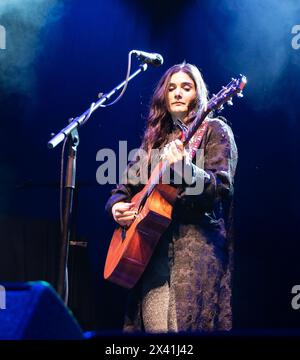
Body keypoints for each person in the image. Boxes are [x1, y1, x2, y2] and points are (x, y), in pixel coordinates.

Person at [105, 62, 238, 333]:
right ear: (163, 97)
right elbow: (121, 190)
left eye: (186, 88)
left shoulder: (213, 130)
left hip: (194, 256)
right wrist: (116, 207)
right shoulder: (153, 144)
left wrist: (186, 169)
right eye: (172, 88)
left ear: (198, 95)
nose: (177, 93)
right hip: (150, 257)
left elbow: (221, 188)